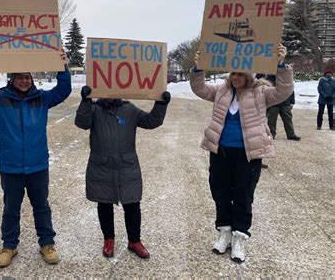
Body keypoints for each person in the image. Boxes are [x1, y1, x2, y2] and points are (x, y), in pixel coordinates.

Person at [0, 46, 71, 268]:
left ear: (32, 79)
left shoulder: (42, 99)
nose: (24, 81)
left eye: (27, 77)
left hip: (37, 165)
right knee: (11, 208)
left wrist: (63, 66)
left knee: (41, 206)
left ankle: (47, 244)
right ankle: (9, 246)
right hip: (11, 166)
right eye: (20, 77)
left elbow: (64, 90)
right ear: (13, 79)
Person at [190, 43, 293, 263]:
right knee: (220, 192)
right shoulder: (221, 91)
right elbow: (199, 89)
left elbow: (283, 91)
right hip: (221, 151)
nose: (236, 77)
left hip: (248, 154)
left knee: (243, 195)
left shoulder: (261, 92)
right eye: (233, 73)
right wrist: (198, 68)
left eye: (240, 73)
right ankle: (224, 231)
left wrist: (281, 65)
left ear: (248, 75)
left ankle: (239, 236)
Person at [74, 86, 170, 259]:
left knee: (132, 205)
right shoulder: (94, 109)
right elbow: (82, 123)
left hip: (127, 166)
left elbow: (151, 121)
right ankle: (108, 240)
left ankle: (134, 241)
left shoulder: (129, 109)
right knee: (104, 204)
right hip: (102, 166)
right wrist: (86, 101)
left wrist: (160, 104)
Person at [264, 74, 301, 141]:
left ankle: (291, 135)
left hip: (285, 102)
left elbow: (290, 89)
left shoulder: (285, 77)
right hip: (273, 103)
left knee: (288, 119)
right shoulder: (268, 79)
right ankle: (271, 135)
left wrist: (292, 101)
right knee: (271, 121)